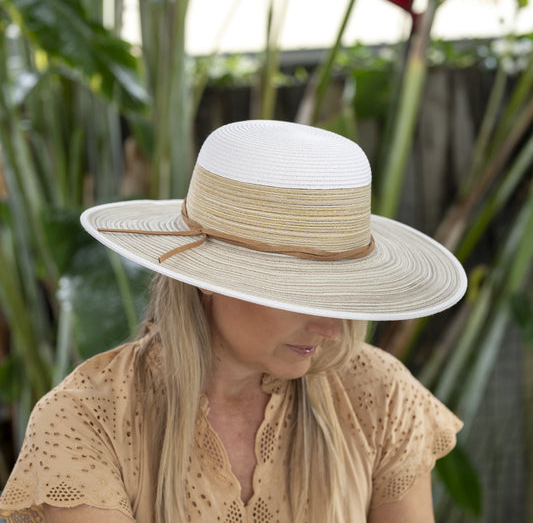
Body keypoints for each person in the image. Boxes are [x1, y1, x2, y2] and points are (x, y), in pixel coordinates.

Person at [0, 120, 467, 523]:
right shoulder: (88, 419)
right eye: (303, 295)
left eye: (341, 296)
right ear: (209, 277)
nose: (330, 329)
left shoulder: (377, 393)